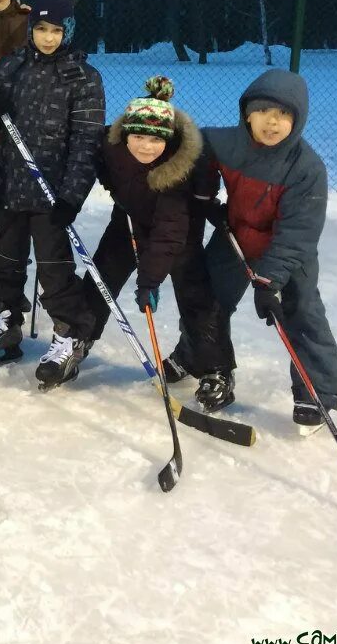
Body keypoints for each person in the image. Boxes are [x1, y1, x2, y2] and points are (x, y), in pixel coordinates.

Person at [173, 69, 337, 433]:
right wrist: (205, 195)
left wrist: (270, 280)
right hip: (234, 236)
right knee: (207, 301)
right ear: (247, 113)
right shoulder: (226, 142)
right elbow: (195, 148)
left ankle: (316, 392)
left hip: (286, 249)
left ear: (297, 121)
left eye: (284, 115)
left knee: (300, 312)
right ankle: (193, 356)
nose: (273, 122)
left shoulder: (306, 168)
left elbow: (299, 231)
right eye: (264, 111)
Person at [0, 0, 104, 388]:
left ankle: (68, 336)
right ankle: (6, 322)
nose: (48, 37)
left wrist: (72, 195)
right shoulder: (11, 67)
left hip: (53, 194)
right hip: (11, 185)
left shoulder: (82, 76)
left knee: (55, 268)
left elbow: (87, 140)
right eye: (42, 29)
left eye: (56, 31)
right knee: (5, 261)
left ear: (68, 32)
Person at [75, 78, 228, 404]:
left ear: (169, 140)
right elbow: (100, 161)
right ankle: (76, 339)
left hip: (179, 230)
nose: (145, 145)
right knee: (101, 277)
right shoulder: (111, 147)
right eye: (139, 136)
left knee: (195, 294)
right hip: (128, 218)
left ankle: (216, 369)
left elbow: (168, 233)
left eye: (155, 139)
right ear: (125, 134)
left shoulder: (178, 171)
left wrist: (149, 282)